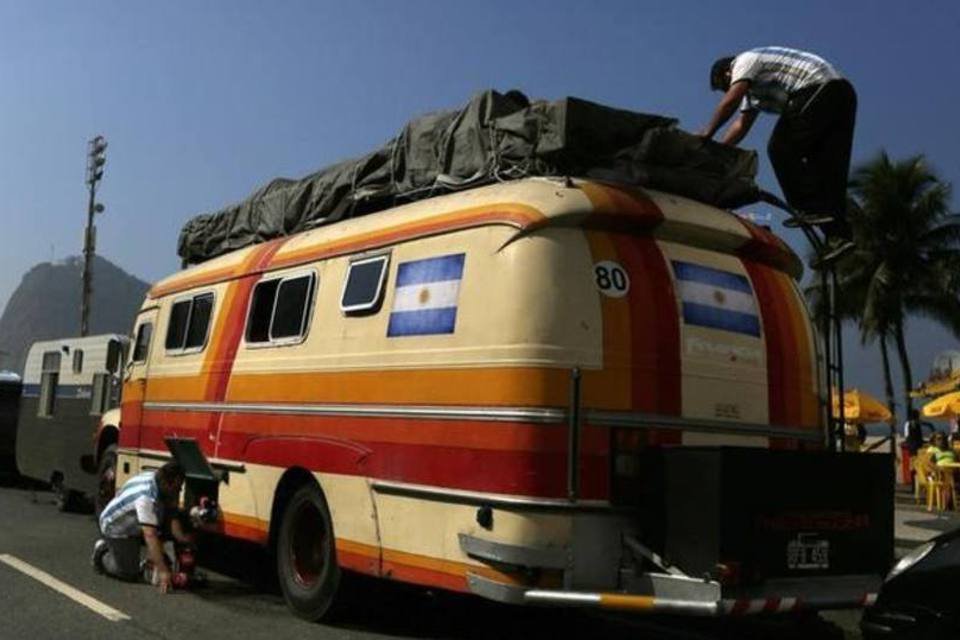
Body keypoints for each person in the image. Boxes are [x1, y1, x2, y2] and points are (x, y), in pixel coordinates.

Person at [699, 46, 857, 265]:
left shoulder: (744, 62)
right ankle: (838, 236)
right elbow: (741, 124)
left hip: (820, 87)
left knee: (780, 149)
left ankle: (805, 207)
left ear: (727, 73)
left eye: (724, 87)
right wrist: (718, 150)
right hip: (842, 97)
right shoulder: (752, 93)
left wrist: (707, 132)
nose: (727, 90)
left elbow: (731, 101)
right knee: (825, 169)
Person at [92, 461, 191, 593]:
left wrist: (182, 539)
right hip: (116, 528)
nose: (180, 490)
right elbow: (150, 534)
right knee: (127, 572)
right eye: (178, 486)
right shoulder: (145, 498)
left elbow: (172, 515)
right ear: (169, 483)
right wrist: (163, 572)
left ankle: (149, 562)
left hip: (136, 522)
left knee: (162, 521)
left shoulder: (160, 481)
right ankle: (101, 553)